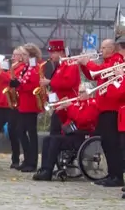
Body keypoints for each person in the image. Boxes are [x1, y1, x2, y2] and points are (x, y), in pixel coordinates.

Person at [78, 39, 125, 187]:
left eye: (104, 47)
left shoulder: (116, 60)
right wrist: (83, 65)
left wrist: (88, 63)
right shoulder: (108, 62)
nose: (101, 50)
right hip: (104, 107)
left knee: (112, 144)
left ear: (113, 49)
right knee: (106, 143)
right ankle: (112, 174)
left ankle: (117, 176)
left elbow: (103, 72)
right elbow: (94, 75)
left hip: (112, 109)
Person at [33, 85, 98, 181]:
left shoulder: (92, 104)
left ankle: (48, 171)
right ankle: (44, 168)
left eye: (82, 92)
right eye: (78, 91)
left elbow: (82, 120)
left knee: (55, 140)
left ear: (89, 92)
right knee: (47, 139)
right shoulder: (77, 104)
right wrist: (62, 110)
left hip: (82, 136)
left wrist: (70, 107)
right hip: (72, 134)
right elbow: (66, 120)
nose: (79, 94)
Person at [10, 45, 41, 173]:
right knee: (20, 131)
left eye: (25, 55)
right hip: (24, 103)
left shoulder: (34, 68)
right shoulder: (28, 67)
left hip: (30, 104)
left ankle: (32, 161)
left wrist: (19, 85)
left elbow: (32, 85)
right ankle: (27, 159)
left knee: (31, 133)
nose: (23, 58)